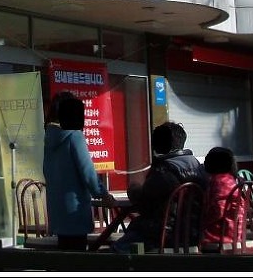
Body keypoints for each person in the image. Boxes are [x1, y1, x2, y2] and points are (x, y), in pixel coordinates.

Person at [111, 121, 207, 253]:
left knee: (117, 250)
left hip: (163, 234)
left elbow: (144, 203)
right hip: (194, 233)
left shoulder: (163, 171)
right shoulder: (198, 167)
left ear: (157, 145)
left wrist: (133, 190)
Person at [42, 95, 116, 251]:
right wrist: (103, 194)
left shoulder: (49, 137)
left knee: (66, 257)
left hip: (57, 211)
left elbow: (46, 171)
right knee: (78, 257)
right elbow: (87, 172)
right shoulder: (74, 136)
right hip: (75, 211)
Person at [199, 146, 244, 251]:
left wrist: (203, 221)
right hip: (235, 233)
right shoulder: (231, 180)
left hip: (222, 235)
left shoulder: (220, 182)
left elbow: (219, 210)